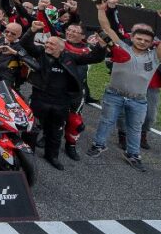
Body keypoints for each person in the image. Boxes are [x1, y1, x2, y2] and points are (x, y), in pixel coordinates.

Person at [87, 2, 161, 171]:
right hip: (114, 95)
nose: (142, 42)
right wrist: (100, 10)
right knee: (106, 121)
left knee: (135, 129)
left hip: (138, 100)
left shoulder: (155, 56)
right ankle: (98, 145)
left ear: (152, 43)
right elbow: (106, 28)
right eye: (139, 39)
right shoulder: (121, 46)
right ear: (132, 37)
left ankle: (133, 154)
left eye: (146, 41)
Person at [20, 23, 106, 170]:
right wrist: (32, 30)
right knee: (32, 128)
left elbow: (94, 57)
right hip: (39, 99)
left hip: (61, 102)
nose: (48, 45)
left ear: (61, 47)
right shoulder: (40, 53)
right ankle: (27, 154)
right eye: (47, 43)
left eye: (52, 44)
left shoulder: (71, 57)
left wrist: (102, 45)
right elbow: (25, 43)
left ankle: (52, 156)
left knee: (56, 131)